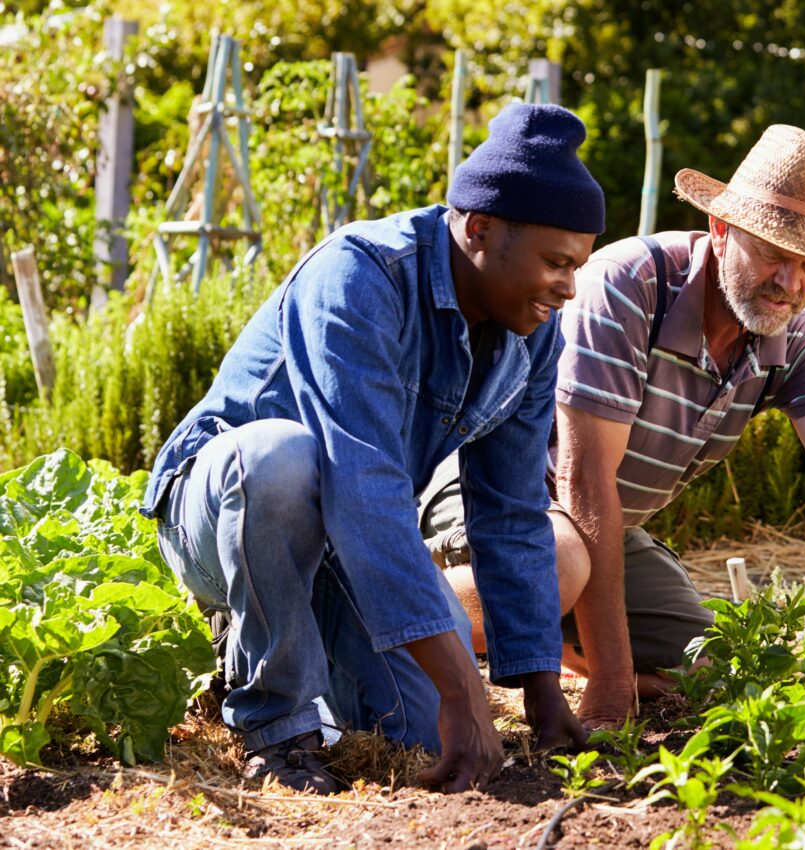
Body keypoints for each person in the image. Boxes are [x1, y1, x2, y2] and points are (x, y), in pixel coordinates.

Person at [140, 103, 602, 793]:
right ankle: (277, 728)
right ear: (479, 229)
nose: (569, 288)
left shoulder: (532, 336)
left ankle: (296, 653)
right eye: (556, 263)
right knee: (281, 457)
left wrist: (539, 694)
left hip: (338, 541)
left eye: (578, 266)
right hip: (222, 512)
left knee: (420, 730)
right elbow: (364, 486)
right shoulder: (363, 277)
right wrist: (463, 690)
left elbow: (509, 513)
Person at [421, 124, 805, 728]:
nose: (791, 282)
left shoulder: (793, 337)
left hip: (603, 529)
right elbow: (582, 478)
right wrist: (614, 686)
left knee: (719, 663)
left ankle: (552, 642)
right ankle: (385, 633)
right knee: (562, 563)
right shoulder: (631, 284)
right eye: (775, 255)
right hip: (495, 496)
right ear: (722, 231)